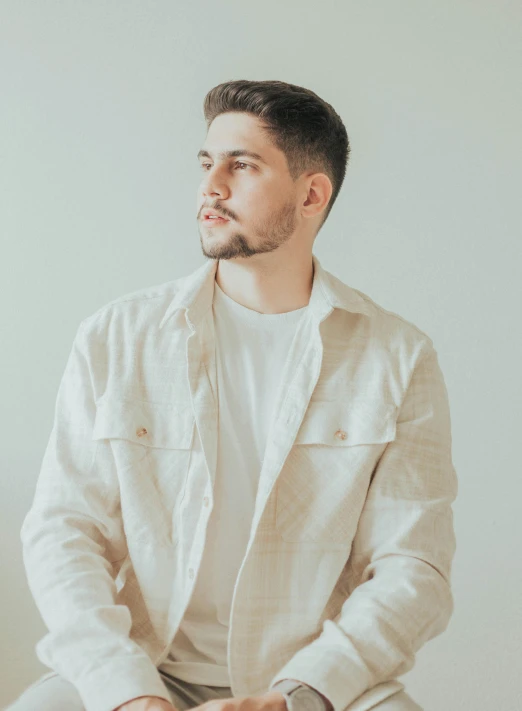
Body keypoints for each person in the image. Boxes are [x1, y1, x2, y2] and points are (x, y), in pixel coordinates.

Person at [5, 80, 457, 711]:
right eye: (206, 162)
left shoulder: (398, 356)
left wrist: (298, 695)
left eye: (241, 165)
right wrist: (128, 693)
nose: (210, 186)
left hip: (311, 678)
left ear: (310, 194)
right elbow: (63, 530)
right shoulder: (118, 336)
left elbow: (415, 568)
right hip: (144, 668)